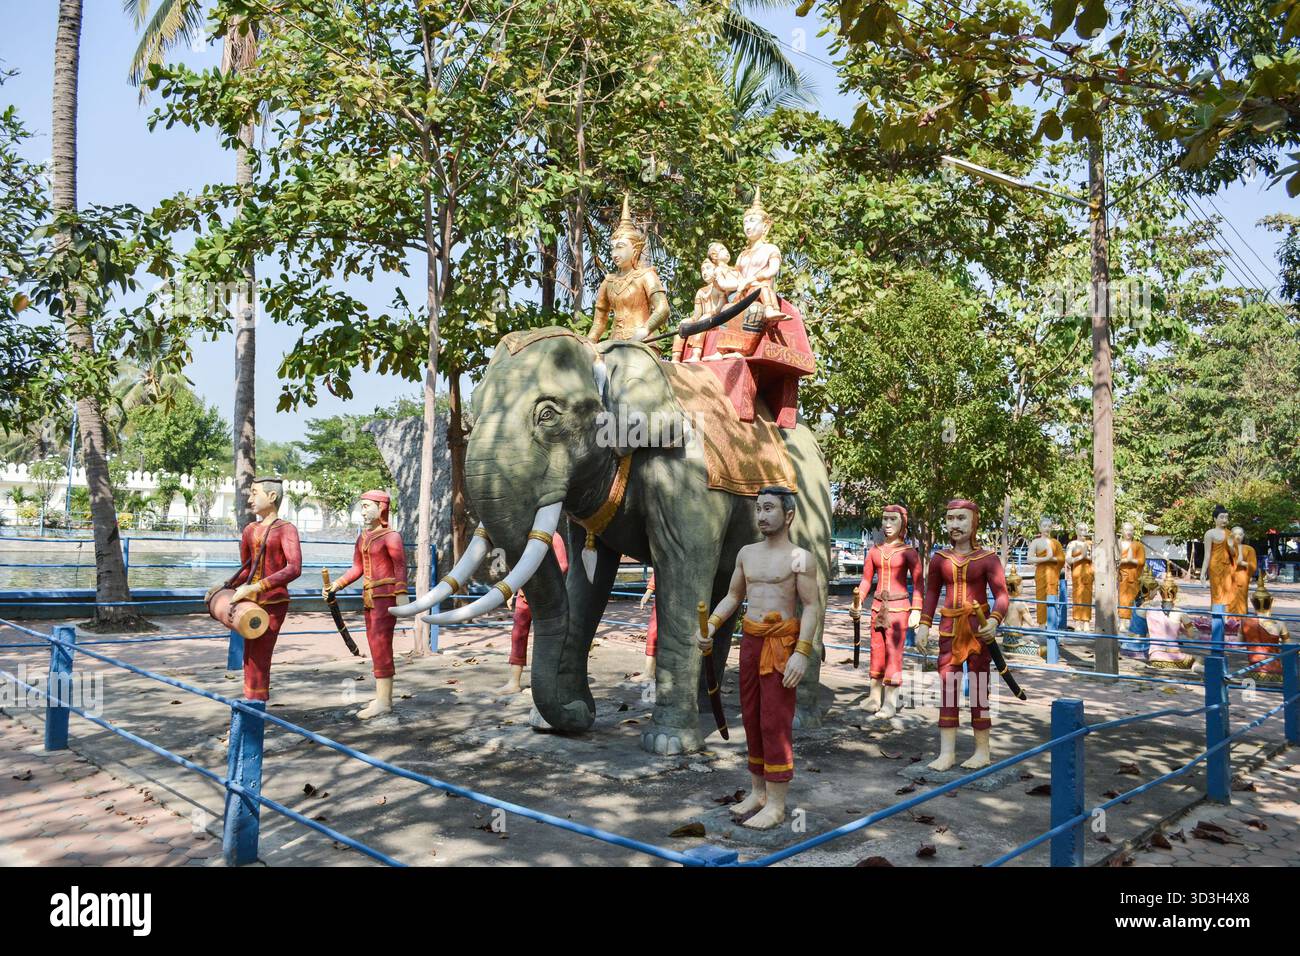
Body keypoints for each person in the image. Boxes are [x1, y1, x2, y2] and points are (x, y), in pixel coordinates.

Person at [699, 487, 820, 830]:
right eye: (759, 509)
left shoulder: (800, 557)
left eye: (769, 508)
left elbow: (811, 606)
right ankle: (758, 792)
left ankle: (778, 804)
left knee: (774, 720)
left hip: (782, 643)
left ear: (789, 514)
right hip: (751, 641)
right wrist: (711, 625)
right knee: (750, 716)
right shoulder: (746, 553)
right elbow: (733, 596)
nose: (762, 515)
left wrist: (802, 652)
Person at [915, 499, 1010, 771]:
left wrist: (995, 618)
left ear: (974, 522)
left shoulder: (988, 559)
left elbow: (1002, 595)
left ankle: (983, 751)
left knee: (980, 689)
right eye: (950, 519)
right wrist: (924, 624)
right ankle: (947, 753)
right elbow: (932, 592)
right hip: (949, 629)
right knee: (948, 689)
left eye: (961, 518)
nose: (954, 525)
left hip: (979, 632)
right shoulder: (939, 559)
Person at [210, 477, 302, 702]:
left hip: (273, 602)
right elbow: (247, 568)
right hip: (249, 602)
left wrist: (257, 586)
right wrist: (225, 586)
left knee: (259, 658)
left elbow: (294, 568)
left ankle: (254, 715)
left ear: (272, 497)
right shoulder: (250, 529)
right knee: (249, 657)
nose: (249, 499)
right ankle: (250, 708)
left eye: (254, 493)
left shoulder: (286, 529)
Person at [324, 490, 408, 719]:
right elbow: (357, 568)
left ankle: (384, 700)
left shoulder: (391, 536)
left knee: (382, 644)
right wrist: (336, 585)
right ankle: (383, 697)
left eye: (366, 506)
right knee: (374, 644)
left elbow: (400, 566)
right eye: (361, 506)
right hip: (369, 598)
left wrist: (401, 592)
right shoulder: (363, 537)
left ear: (381, 508)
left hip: (386, 597)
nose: (362, 511)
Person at [851, 504, 922, 718]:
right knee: (876, 650)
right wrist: (858, 601)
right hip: (876, 608)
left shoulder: (909, 553)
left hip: (899, 609)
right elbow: (866, 581)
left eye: (893, 520)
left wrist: (917, 609)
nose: (888, 524)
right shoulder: (874, 551)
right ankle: (874, 697)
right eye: (885, 519)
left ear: (903, 524)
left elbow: (919, 584)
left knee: (893, 653)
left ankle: (890, 701)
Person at [587, 194, 669, 343]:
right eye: (612, 249)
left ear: (635, 249)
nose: (614, 254)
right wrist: (588, 343)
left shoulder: (646, 276)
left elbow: (662, 309)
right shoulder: (608, 282)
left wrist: (644, 331)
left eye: (620, 247)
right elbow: (599, 322)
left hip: (642, 343)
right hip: (614, 343)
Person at [498, 535, 569, 696]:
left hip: (547, 595)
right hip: (525, 593)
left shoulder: (553, 536)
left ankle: (544, 683)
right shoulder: (525, 536)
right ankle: (514, 681)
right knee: (518, 635)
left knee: (545, 637)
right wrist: (511, 589)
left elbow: (563, 564)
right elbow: (517, 565)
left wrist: (543, 582)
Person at [1242, 576, 1289, 681]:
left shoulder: (1244, 622)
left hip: (1253, 669)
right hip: (1275, 670)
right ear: (1271, 601)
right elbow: (1288, 647)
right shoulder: (1280, 623)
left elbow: (1239, 642)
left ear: (1253, 602)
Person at [1025, 518, 1064, 627]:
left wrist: (1051, 559)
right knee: (1041, 598)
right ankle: (1042, 623)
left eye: (1049, 526)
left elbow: (1061, 559)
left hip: (1052, 574)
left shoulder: (1055, 543)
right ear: (1040, 527)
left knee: (1052, 597)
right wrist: (1045, 559)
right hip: (1041, 573)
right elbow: (1029, 559)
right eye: (1044, 526)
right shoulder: (1036, 542)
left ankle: (1052, 624)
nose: (1047, 528)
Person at [1199, 505, 1236, 607]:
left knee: (1228, 593)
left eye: (1226, 517)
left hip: (1227, 567)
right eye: (1221, 517)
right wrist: (1202, 573)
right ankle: (1217, 617)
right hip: (1215, 567)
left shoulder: (1230, 534)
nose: (1224, 520)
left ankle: (1227, 619)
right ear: (1215, 519)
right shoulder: (1210, 533)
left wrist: (1231, 546)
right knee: (1217, 594)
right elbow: (1207, 555)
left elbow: (1233, 554)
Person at [1065, 521, 1094, 628]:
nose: (1083, 532)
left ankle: (1086, 622)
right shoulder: (1072, 544)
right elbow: (1068, 559)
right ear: (1076, 531)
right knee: (1077, 596)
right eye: (1081, 529)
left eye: (1085, 530)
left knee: (1088, 597)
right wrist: (1081, 557)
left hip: (1088, 572)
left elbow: (1096, 558)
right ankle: (1077, 622)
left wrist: (1088, 557)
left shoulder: (1091, 544)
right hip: (1077, 573)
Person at [1117, 521, 1147, 626]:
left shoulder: (1138, 545)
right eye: (1126, 530)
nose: (1128, 532)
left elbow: (1142, 561)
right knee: (1122, 598)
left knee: (1132, 598)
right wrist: (1124, 561)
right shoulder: (1118, 544)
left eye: (1130, 530)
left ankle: (1131, 623)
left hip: (1134, 576)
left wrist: (1131, 561)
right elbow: (1114, 560)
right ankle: (1122, 622)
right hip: (1121, 576)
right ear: (1121, 531)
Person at [1227, 526, 1258, 616]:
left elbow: (1253, 566)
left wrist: (1243, 563)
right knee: (1229, 599)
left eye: (1240, 534)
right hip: (1229, 578)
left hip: (1242, 577)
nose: (1238, 536)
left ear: (1243, 536)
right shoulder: (1227, 548)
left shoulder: (1249, 549)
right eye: (1235, 534)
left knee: (1241, 600)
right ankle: (1229, 620)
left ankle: (1241, 619)